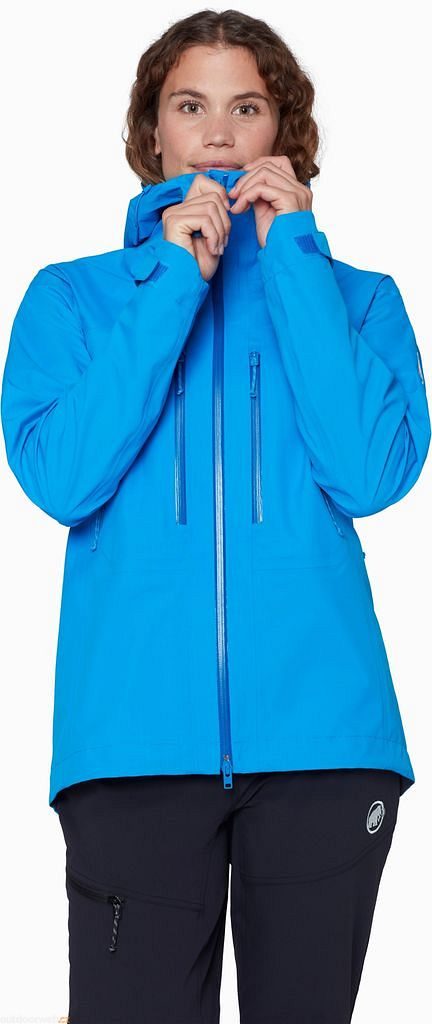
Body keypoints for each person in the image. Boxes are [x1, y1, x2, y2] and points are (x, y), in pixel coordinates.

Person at [1, 9, 430, 1023]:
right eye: (191, 107)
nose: (220, 135)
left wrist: (295, 263)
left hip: (326, 743)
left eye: (248, 108)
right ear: (153, 131)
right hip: (131, 746)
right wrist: (172, 285)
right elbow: (62, 478)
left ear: (286, 131)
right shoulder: (73, 300)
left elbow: (372, 472)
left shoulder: (358, 299)